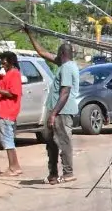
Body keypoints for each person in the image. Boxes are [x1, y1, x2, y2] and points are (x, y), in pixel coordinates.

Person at [23, 29, 79, 184]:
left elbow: (65, 92)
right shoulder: (63, 64)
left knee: (63, 142)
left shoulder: (67, 68)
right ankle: (53, 174)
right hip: (56, 110)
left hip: (62, 111)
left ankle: (68, 173)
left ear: (61, 53)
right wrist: (30, 34)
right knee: (51, 143)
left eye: (57, 53)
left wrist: (53, 114)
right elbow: (42, 52)